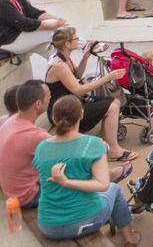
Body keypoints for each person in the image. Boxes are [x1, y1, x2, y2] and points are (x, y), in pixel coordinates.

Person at [31, 95, 142, 245]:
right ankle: (130, 238)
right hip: (85, 221)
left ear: (53, 118)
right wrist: (67, 182)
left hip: (48, 225)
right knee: (113, 189)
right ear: (82, 114)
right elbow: (103, 184)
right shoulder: (92, 143)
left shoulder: (41, 147)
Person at [44, 27, 134, 162]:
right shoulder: (59, 65)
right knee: (113, 107)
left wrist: (85, 57)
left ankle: (103, 145)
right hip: (65, 111)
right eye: (76, 38)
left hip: (71, 102)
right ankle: (114, 150)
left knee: (114, 101)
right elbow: (79, 90)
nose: (79, 40)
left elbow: (77, 75)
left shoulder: (63, 58)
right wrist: (107, 78)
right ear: (67, 44)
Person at [0, 81, 51, 209]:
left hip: (11, 192)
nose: (51, 98)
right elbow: (70, 150)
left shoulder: (9, 121)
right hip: (27, 198)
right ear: (38, 104)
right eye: (49, 97)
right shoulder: (34, 135)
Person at [0, 0, 66, 57]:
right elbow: (23, 23)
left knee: (52, 51)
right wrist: (52, 25)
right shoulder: (2, 2)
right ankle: (86, 46)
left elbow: (34, 13)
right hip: (9, 41)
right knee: (57, 32)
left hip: (21, 35)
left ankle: (63, 69)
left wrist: (57, 20)